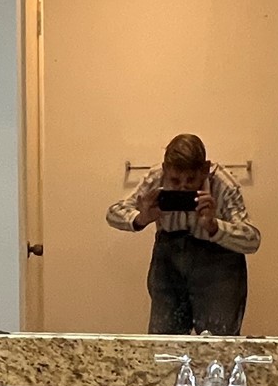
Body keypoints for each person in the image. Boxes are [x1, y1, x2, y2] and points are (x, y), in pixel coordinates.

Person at [107, 133, 261, 335]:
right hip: (169, 262)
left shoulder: (223, 183)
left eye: (191, 179)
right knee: (164, 344)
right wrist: (141, 218)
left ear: (205, 169)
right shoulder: (156, 178)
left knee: (219, 344)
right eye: (175, 180)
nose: (183, 186)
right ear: (165, 170)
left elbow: (252, 240)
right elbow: (113, 213)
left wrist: (215, 226)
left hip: (218, 266)